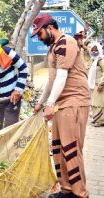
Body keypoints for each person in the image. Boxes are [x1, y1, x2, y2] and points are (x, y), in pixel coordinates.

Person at [32, 14, 90, 198]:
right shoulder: (52, 48)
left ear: (49, 27)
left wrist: (49, 105)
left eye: (39, 33)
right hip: (60, 103)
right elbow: (51, 81)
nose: (38, 37)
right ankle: (66, 190)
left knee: (71, 149)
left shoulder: (67, 42)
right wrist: (41, 103)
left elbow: (62, 76)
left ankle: (80, 193)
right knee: (58, 148)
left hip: (74, 100)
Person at [88, 42, 104, 127]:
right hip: (93, 85)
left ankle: (101, 120)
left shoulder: (101, 60)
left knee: (99, 104)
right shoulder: (93, 60)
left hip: (100, 85)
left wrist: (102, 84)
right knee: (94, 103)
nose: (94, 52)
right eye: (92, 50)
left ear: (99, 50)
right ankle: (96, 119)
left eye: (96, 50)